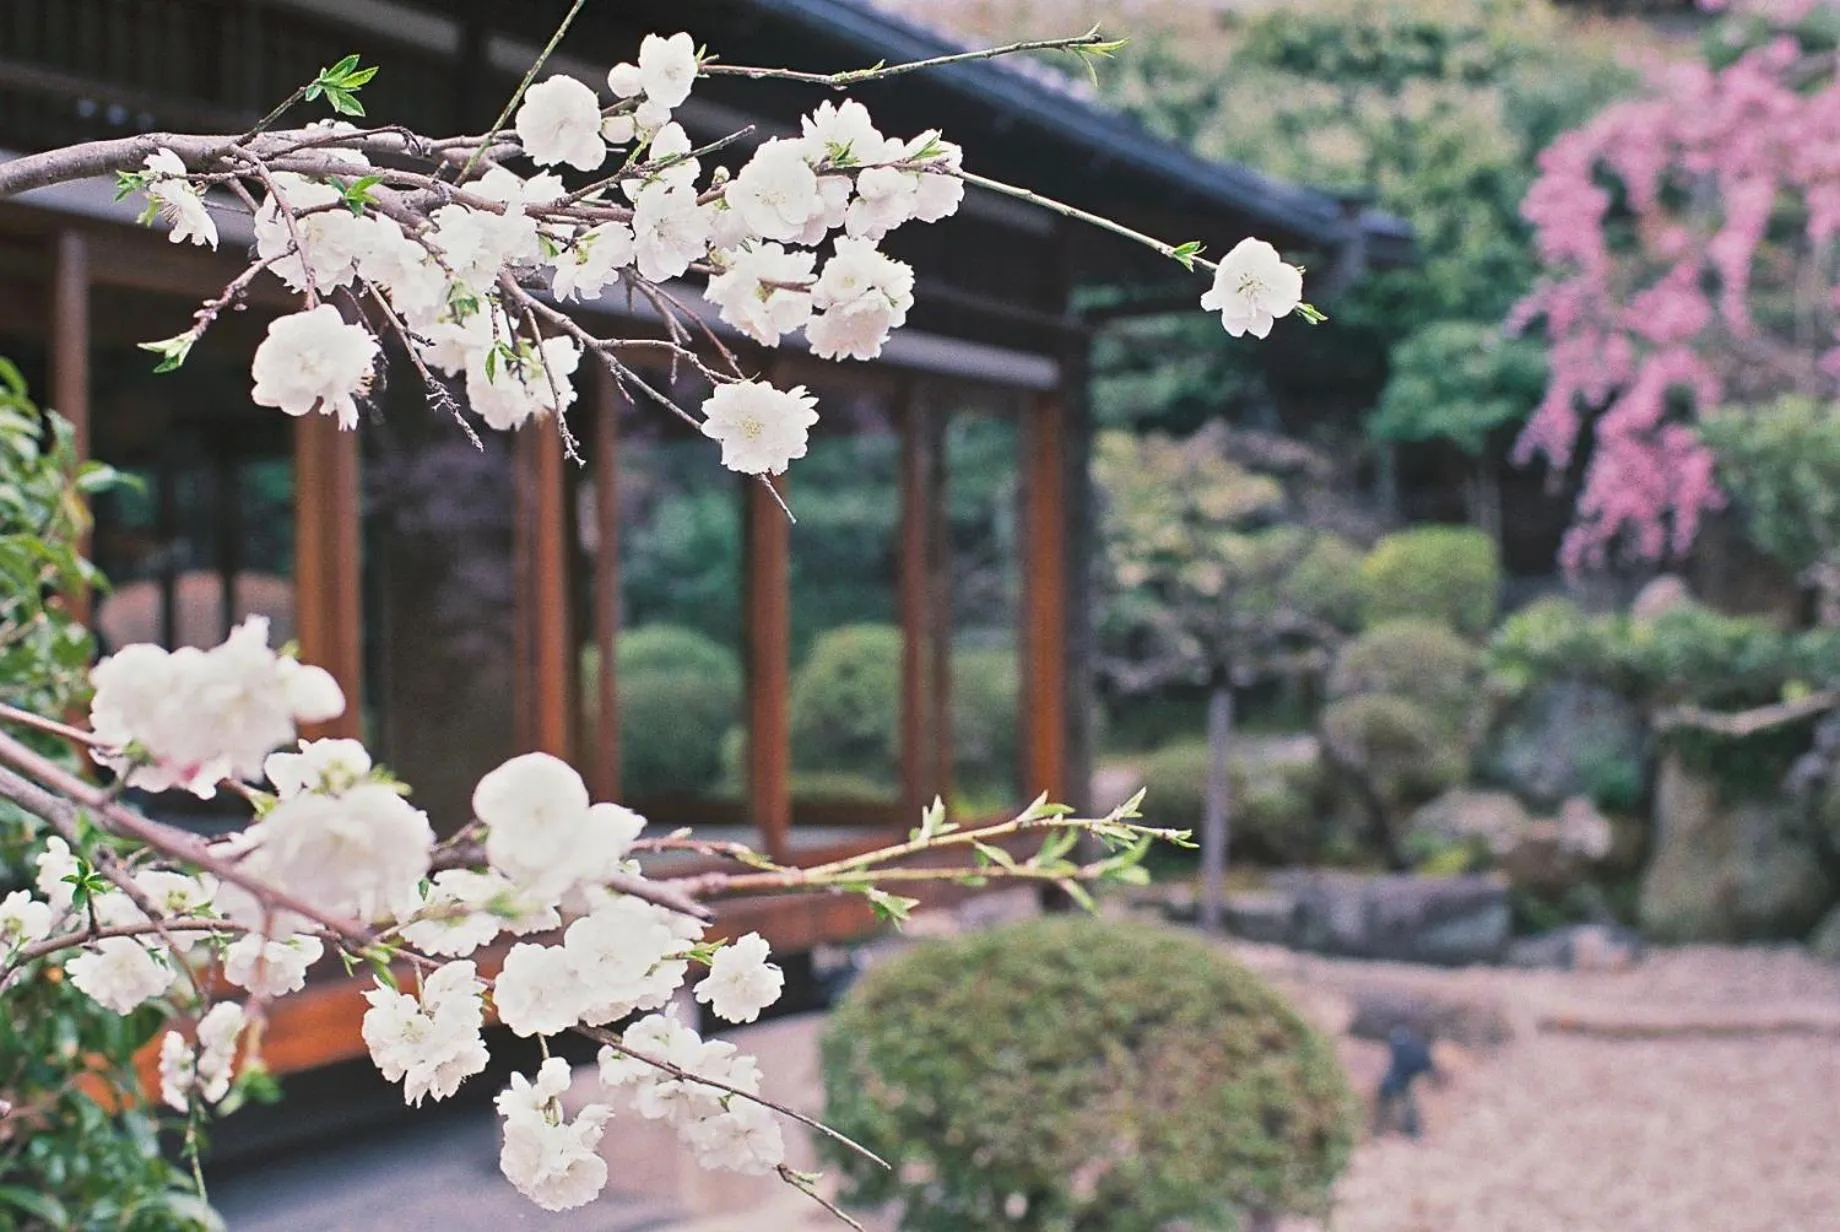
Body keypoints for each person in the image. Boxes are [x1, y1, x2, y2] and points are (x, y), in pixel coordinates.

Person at [1374, 1024, 1436, 1138]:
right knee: (1405, 1104)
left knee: (1405, 1104)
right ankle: (1408, 1130)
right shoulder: (1417, 1047)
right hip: (1403, 1078)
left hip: (1399, 1078)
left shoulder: (1402, 1044)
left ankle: (1386, 1128)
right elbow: (1426, 1066)